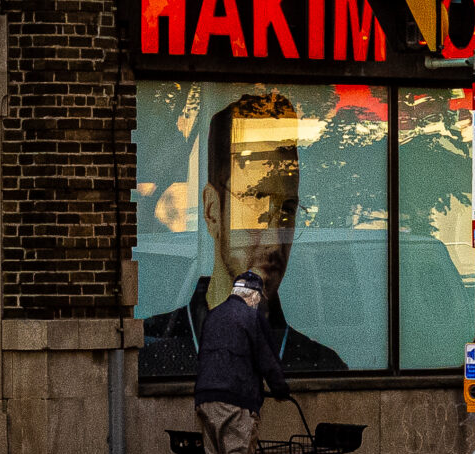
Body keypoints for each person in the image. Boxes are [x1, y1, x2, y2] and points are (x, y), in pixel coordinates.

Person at [146, 96, 350, 378]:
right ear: (212, 210)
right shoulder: (151, 354)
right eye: (256, 201)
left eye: (288, 210)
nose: (274, 240)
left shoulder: (322, 366)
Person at [189, 268, 289, 454]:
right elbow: (267, 358)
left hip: (204, 397)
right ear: (254, 296)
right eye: (260, 297)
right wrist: (280, 388)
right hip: (235, 397)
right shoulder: (252, 317)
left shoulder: (213, 316)